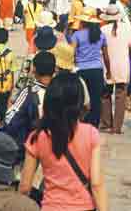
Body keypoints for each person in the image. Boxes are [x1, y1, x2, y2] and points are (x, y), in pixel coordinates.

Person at [20, 73, 108, 211]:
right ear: (78, 102)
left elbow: (25, 186)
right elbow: (96, 183)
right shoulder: (90, 134)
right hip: (83, 206)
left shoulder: (37, 137)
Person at [3, 51, 56, 164]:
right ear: (54, 70)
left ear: (34, 70)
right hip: (57, 147)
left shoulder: (29, 92)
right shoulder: (61, 90)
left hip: (32, 148)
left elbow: (10, 120)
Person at [72, 8, 111, 128]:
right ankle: (93, 126)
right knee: (96, 100)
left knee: (81, 99)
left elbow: (72, 53)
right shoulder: (101, 35)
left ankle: (81, 123)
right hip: (97, 70)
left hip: (81, 70)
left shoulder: (77, 35)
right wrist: (109, 71)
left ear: (83, 22)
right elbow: (105, 55)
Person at [100, 5, 131, 134]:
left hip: (106, 66)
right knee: (120, 96)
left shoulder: (102, 29)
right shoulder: (126, 29)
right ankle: (117, 127)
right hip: (122, 66)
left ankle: (107, 123)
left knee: (105, 94)